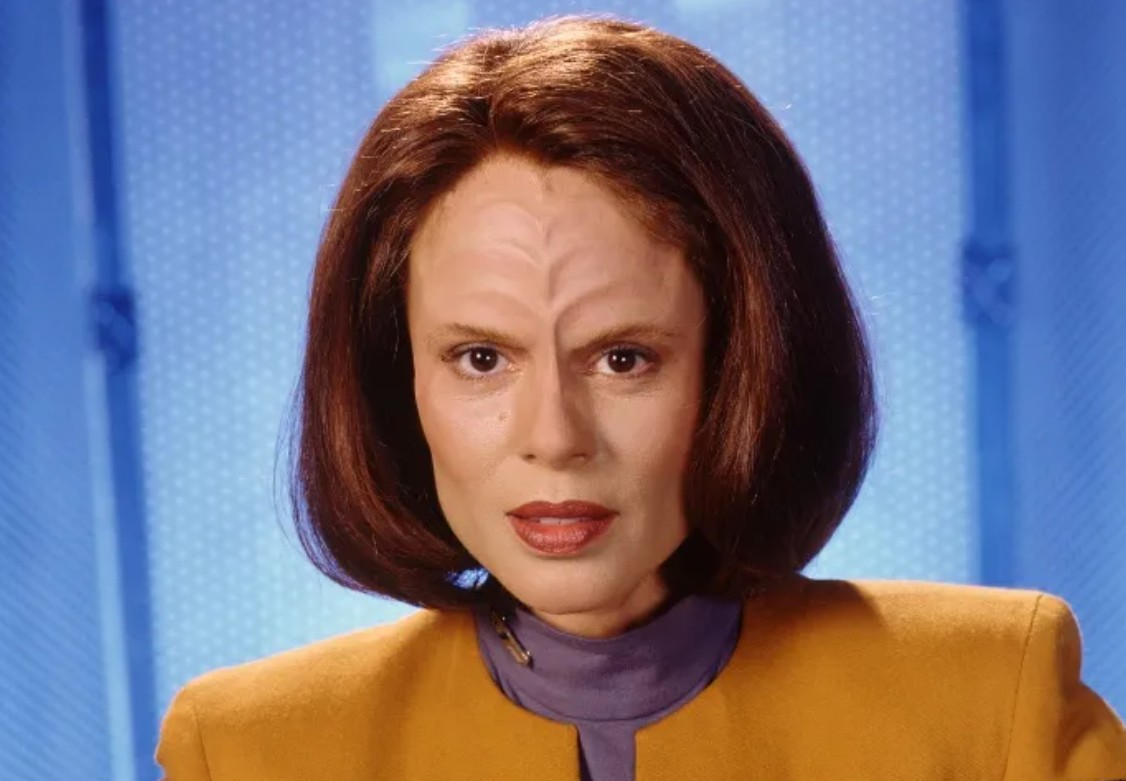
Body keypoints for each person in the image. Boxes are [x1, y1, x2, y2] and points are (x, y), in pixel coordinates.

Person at [155, 14, 1126, 781]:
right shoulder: (244, 753)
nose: (553, 437)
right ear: (394, 377)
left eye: (623, 358)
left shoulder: (993, 709)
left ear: (741, 362)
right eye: (481, 358)